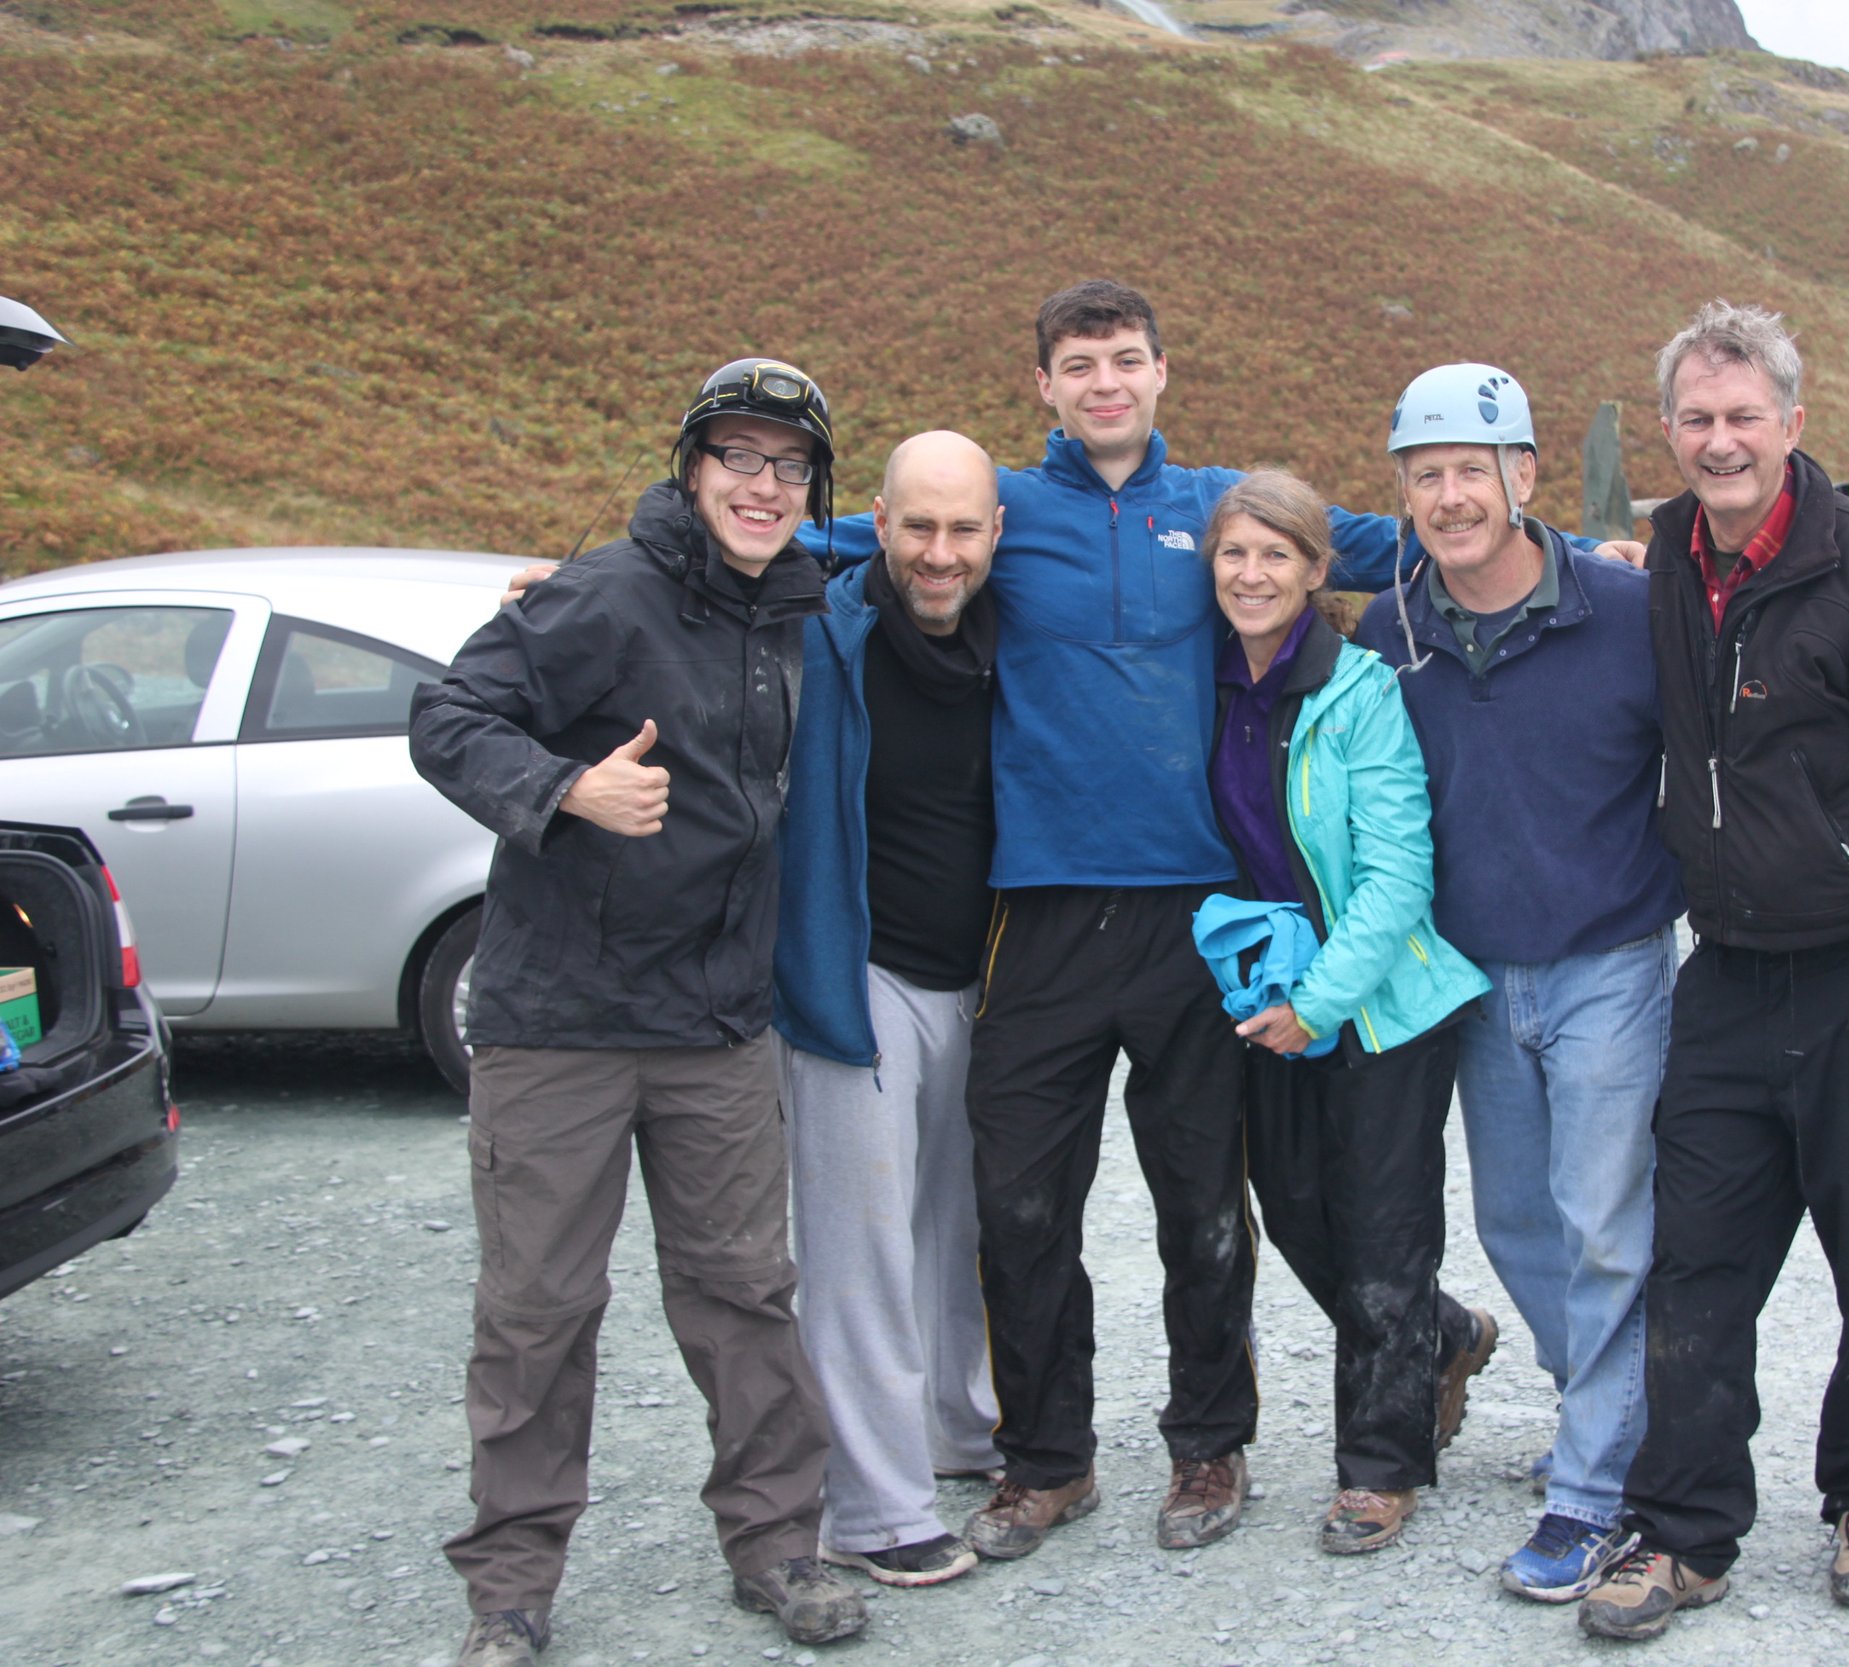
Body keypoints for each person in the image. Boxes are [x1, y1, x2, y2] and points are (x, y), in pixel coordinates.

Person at [794, 282, 1557, 1559]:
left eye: (1126, 360)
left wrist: (1584, 549)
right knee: (1020, 1203)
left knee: (1202, 1203)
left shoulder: (1213, 508)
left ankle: (1209, 1448)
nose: (1104, 382)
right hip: (1034, 915)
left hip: (1196, 922)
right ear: (1043, 384)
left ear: (1161, 373)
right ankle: (1048, 1459)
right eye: (1078, 364)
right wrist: (655, 545)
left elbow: (1378, 538)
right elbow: (845, 550)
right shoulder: (1005, 507)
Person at [410, 359, 862, 1667]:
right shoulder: (606, 592)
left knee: (745, 1294)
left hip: (717, 1023)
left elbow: (916, 561)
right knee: (538, 1305)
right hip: (561, 1020)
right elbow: (448, 714)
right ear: (692, 468)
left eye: (789, 464)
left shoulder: (797, 605)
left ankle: (777, 1542)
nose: (764, 482)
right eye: (741, 456)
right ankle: (510, 1584)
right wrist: (562, 789)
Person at [1577, 301, 1849, 1641]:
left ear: (1793, 423)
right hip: (1729, 977)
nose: (1719, 439)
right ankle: (1684, 1528)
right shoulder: (1666, 562)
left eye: (1744, 414)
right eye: (1696, 417)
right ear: (1672, 430)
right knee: (1696, 1268)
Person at [1352, 364, 1685, 1603]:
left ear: (1524, 477)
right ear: (1402, 488)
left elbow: (1715, 750)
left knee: (1605, 1226)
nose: (1449, 496)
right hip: (1473, 976)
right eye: (1425, 474)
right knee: (1518, 1224)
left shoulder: (1622, 610)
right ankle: (1614, 1417)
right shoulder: (1390, 627)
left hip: (1608, 963)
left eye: (1471, 471)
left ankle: (1595, 1488)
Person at [1193, 470, 1494, 1555]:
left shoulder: (1358, 690)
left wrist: (1318, 1002)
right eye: (1233, 553)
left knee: (1380, 1235)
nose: (1252, 574)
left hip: (1380, 1005)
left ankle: (1378, 1466)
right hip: (1268, 996)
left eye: (1277, 554)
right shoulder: (1205, 682)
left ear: (1319, 571)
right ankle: (1444, 1332)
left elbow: (1396, 876)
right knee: (1298, 1215)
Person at [772, 430, 1008, 1589]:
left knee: (956, 1229)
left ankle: (962, 1427)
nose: (939, 552)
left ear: (995, 533)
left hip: (983, 978)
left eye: (963, 528)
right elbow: (717, 550)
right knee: (858, 1245)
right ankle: (871, 1506)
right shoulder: (821, 625)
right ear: (876, 521)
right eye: (917, 525)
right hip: (852, 974)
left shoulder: (1012, 626)